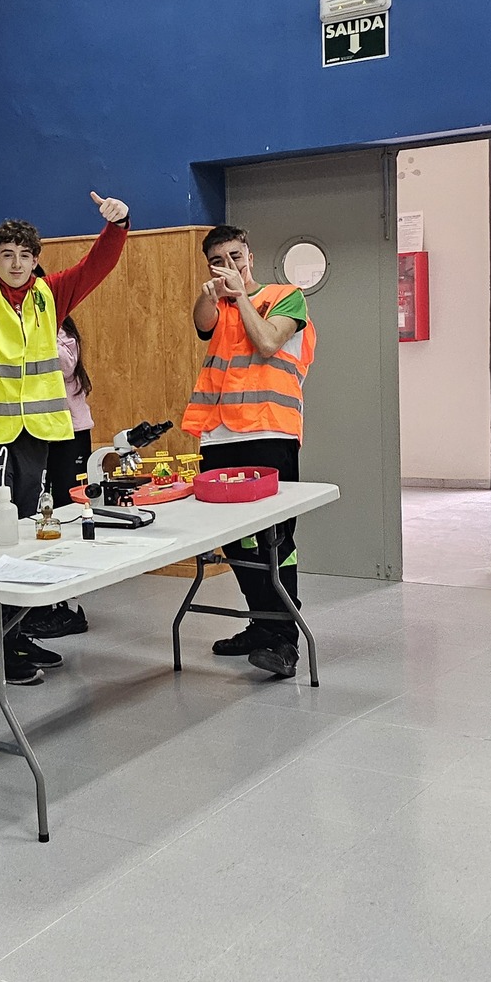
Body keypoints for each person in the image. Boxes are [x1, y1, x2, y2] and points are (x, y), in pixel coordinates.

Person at [0, 190, 130, 683]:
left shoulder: (50, 295)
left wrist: (118, 226)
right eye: (6, 256)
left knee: (30, 530)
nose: (16, 264)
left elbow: (96, 266)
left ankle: (17, 630)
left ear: (36, 261)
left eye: (25, 256)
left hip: (38, 432)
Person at [181, 225, 315, 679]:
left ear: (250, 255)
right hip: (218, 435)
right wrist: (212, 293)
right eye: (219, 261)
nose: (230, 266)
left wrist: (239, 295)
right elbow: (202, 324)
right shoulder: (216, 303)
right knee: (235, 540)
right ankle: (260, 624)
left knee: (275, 539)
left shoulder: (286, 296)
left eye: (235, 256)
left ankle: (285, 639)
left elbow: (268, 342)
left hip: (269, 432)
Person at [25, 286, 94, 640]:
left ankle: (71, 605)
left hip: (70, 432)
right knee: (40, 514)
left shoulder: (60, 331)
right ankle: (42, 600)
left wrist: (40, 326)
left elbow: (64, 366)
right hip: (36, 431)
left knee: (68, 511)